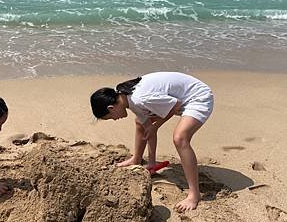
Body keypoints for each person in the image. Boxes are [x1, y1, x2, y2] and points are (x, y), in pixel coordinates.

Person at [90, 72, 214, 212]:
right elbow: (148, 131)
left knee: (180, 138)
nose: (114, 120)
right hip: (182, 97)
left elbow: (176, 105)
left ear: (111, 108)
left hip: (198, 97)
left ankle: (194, 195)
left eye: (110, 117)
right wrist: (151, 163)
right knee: (140, 122)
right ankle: (136, 159)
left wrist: (156, 126)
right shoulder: (128, 98)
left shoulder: (140, 100)